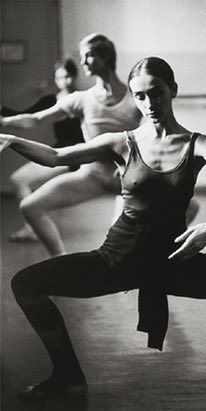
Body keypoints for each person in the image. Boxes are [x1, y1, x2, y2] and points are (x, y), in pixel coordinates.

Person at [0, 57, 206, 401]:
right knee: (26, 284)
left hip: (174, 263)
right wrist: (9, 139)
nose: (149, 104)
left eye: (157, 93)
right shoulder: (122, 142)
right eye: (140, 96)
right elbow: (55, 156)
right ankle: (67, 376)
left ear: (173, 91)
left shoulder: (199, 143)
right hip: (117, 261)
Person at [0, 34, 142, 256]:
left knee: (183, 209)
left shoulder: (136, 98)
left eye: (89, 55)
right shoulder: (81, 99)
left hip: (130, 181)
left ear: (105, 58)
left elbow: (156, 134)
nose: (83, 62)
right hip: (92, 177)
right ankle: (61, 262)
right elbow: (36, 119)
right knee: (30, 206)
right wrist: (4, 122)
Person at [1, 58, 84, 242]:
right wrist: (3, 112)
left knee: (20, 180)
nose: (64, 81)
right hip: (58, 152)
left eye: (67, 76)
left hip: (76, 155)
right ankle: (33, 226)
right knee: (18, 180)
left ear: (75, 76)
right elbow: (28, 116)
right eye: (59, 78)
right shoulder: (51, 100)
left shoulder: (82, 99)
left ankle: (32, 228)